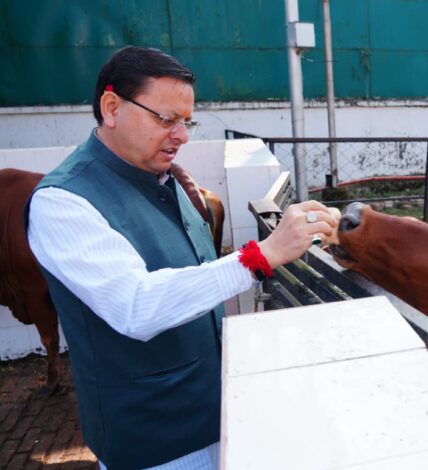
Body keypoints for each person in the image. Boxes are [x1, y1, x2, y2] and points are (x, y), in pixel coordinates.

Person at [26, 46, 338, 470]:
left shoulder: (162, 177)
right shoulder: (62, 202)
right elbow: (136, 306)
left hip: (215, 414)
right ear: (112, 107)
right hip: (156, 444)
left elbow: (193, 282)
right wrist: (261, 256)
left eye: (186, 121)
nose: (182, 135)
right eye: (166, 119)